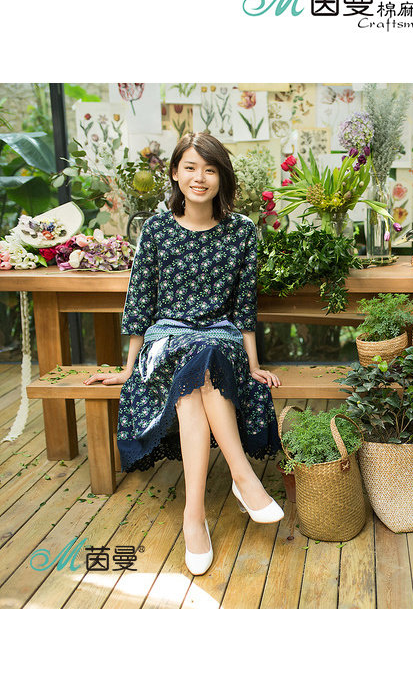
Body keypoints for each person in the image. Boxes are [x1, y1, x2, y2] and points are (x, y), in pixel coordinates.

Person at [85, 132, 283, 576]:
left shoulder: (242, 231)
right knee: (194, 364)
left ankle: (194, 517)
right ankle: (242, 478)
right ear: (175, 173)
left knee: (205, 356)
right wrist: (128, 370)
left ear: (221, 177)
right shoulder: (156, 230)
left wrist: (253, 365)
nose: (200, 177)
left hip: (220, 338)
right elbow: (139, 304)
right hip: (167, 338)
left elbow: (244, 309)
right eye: (191, 168)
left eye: (210, 169)